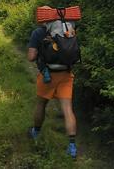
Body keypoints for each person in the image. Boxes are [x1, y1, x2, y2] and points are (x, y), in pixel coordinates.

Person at [27, 25, 77, 159]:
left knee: (41, 104)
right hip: (66, 74)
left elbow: (31, 57)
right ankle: (72, 147)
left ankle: (36, 133)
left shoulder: (38, 32)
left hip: (47, 75)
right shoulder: (67, 28)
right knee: (67, 109)